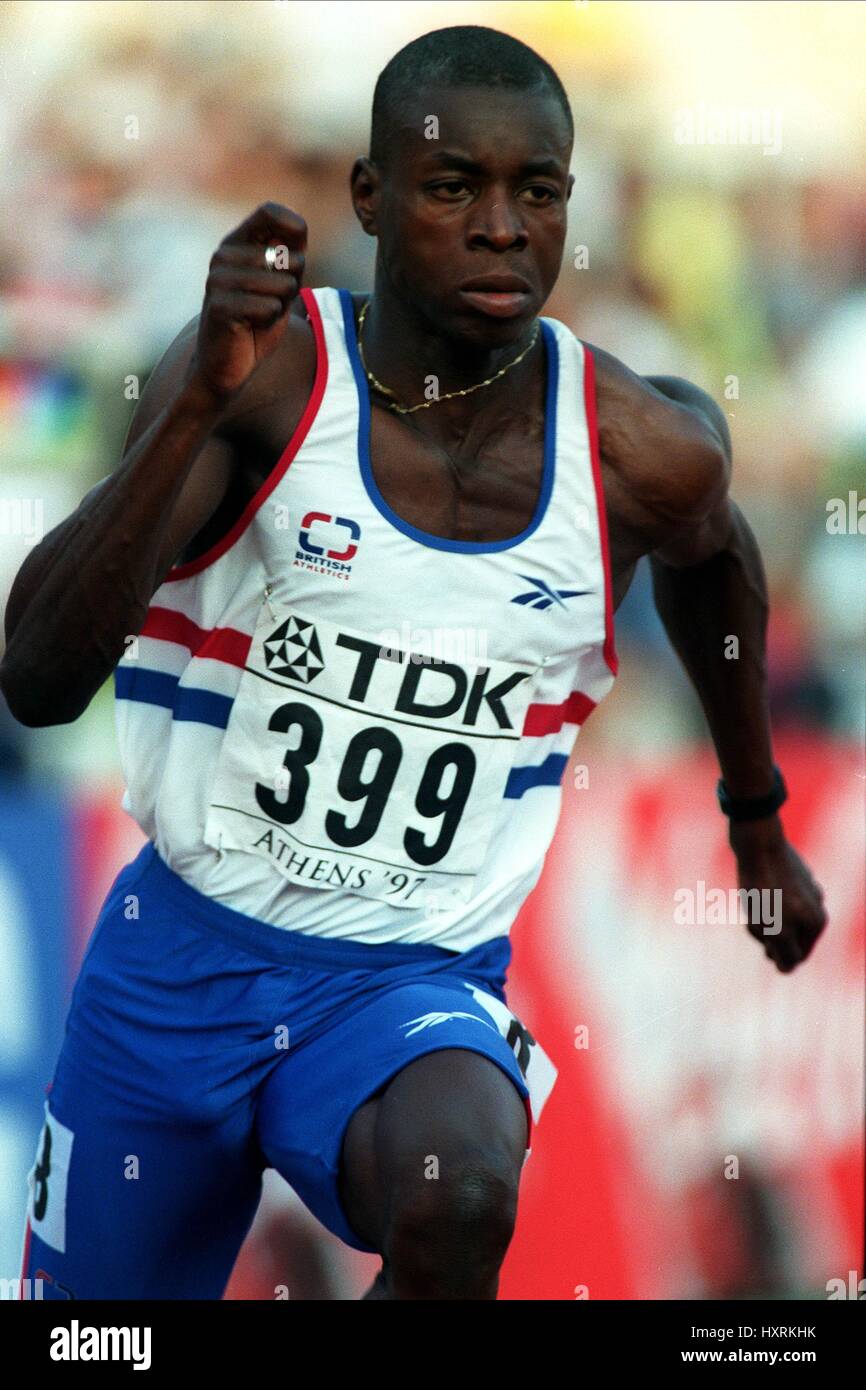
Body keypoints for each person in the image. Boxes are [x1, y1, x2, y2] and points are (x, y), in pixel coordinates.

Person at [1, 26, 826, 1301]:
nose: (502, 227)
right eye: (454, 190)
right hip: (178, 964)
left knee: (463, 1192)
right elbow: (37, 675)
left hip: (407, 980)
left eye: (536, 192)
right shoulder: (266, 378)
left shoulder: (636, 450)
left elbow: (713, 564)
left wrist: (756, 821)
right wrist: (186, 411)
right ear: (372, 201)